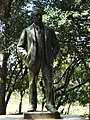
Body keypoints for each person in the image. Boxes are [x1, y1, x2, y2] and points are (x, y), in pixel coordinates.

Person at [17, 7, 60, 113]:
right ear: (32, 17)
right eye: (36, 15)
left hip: (46, 60)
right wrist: (26, 56)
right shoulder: (27, 31)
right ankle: (32, 104)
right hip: (33, 60)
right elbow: (20, 46)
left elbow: (56, 46)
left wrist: (52, 55)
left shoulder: (49, 30)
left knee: (49, 82)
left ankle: (50, 104)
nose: (38, 17)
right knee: (32, 83)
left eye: (40, 15)